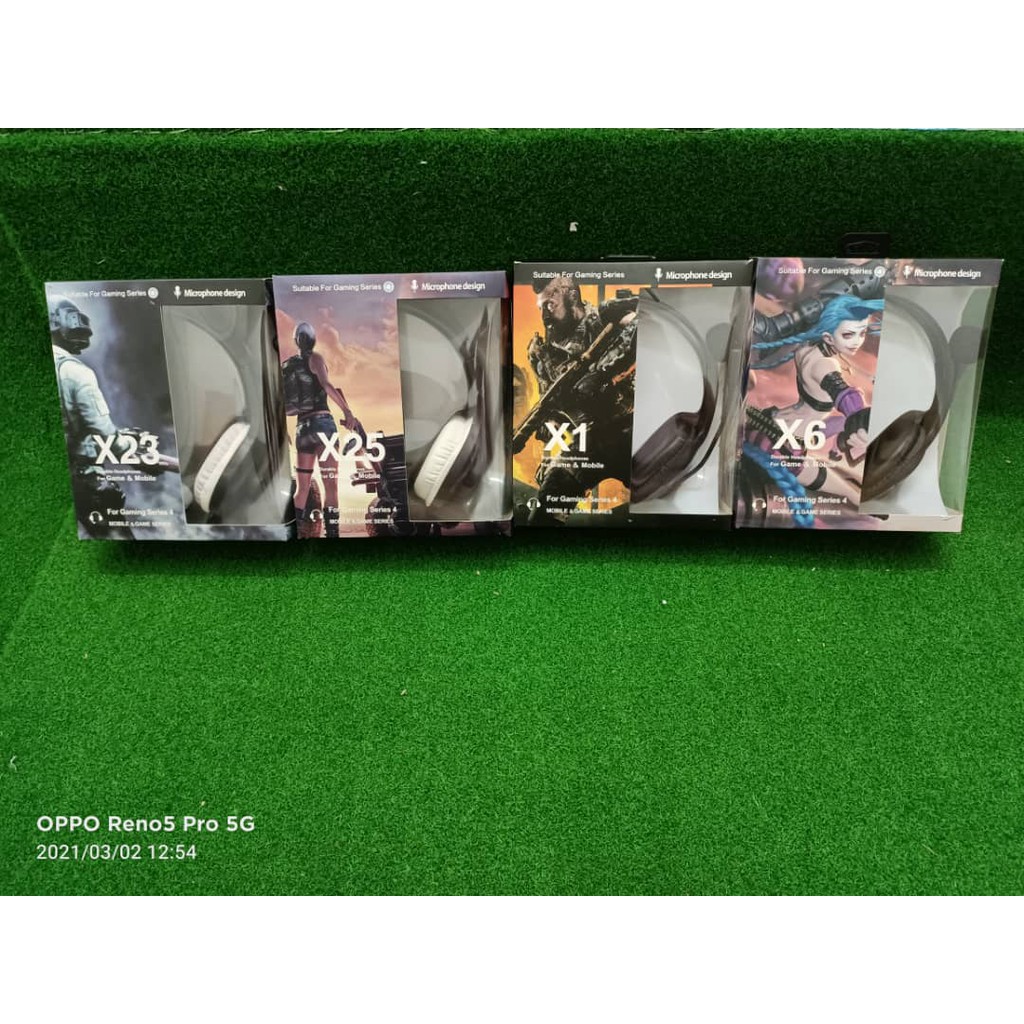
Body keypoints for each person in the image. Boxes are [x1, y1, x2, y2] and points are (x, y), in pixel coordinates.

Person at [518, 276, 638, 524]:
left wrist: (603, 372)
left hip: (633, 430)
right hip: (586, 443)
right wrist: (549, 461)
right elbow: (550, 411)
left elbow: (646, 324)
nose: (545, 315)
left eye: (550, 305)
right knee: (545, 511)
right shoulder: (542, 353)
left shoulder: (606, 315)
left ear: (571, 296)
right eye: (540, 308)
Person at [50, 295, 133, 538]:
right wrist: (131, 444)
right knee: (119, 544)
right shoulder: (76, 372)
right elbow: (106, 434)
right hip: (87, 479)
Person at [282, 321, 359, 538]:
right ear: (313, 339)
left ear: (296, 341)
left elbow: (278, 399)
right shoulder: (315, 358)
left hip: (302, 430)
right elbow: (326, 385)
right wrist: (347, 411)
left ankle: (292, 534)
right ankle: (332, 536)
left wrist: (281, 428)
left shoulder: (287, 366)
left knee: (302, 489)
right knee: (330, 486)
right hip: (323, 425)